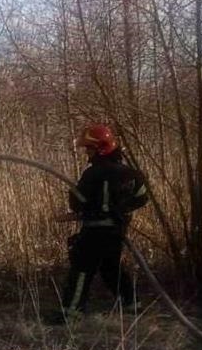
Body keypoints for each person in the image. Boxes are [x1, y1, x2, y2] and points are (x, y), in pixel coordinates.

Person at [57, 124, 149, 320]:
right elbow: (142, 198)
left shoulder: (92, 173)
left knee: (82, 268)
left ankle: (71, 312)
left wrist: (77, 195)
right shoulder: (131, 173)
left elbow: (77, 203)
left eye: (89, 148)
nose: (87, 153)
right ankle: (132, 304)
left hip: (94, 231)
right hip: (116, 231)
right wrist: (122, 208)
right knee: (110, 268)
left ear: (100, 148)